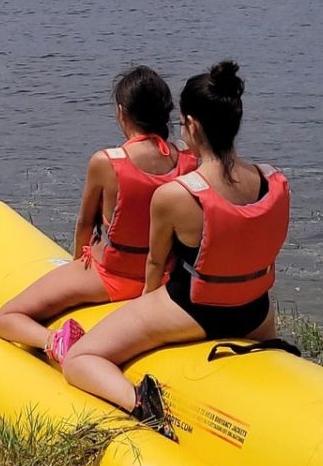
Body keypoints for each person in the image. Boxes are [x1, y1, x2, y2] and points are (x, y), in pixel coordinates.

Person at [60, 61, 289, 435]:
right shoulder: (272, 180)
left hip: (195, 312)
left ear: (193, 126)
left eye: (182, 124)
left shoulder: (177, 195)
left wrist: (141, 311)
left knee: (79, 358)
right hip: (256, 312)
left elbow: (155, 265)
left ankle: (140, 403)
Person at [0, 66, 198, 361]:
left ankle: (54, 341)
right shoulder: (189, 159)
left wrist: (76, 267)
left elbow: (85, 223)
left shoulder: (107, 162)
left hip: (110, 276)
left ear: (121, 113)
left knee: (7, 317)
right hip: (164, 277)